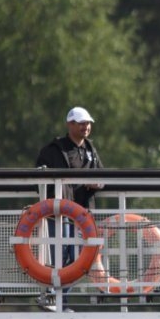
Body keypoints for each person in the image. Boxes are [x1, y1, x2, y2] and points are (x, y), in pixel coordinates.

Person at [35, 107, 105, 306]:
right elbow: (38, 179)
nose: (86, 127)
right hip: (60, 213)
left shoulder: (90, 149)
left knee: (79, 259)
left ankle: (57, 297)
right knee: (61, 255)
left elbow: (103, 176)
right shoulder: (53, 150)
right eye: (81, 123)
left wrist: (97, 183)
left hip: (82, 214)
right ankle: (56, 300)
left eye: (88, 123)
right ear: (70, 124)